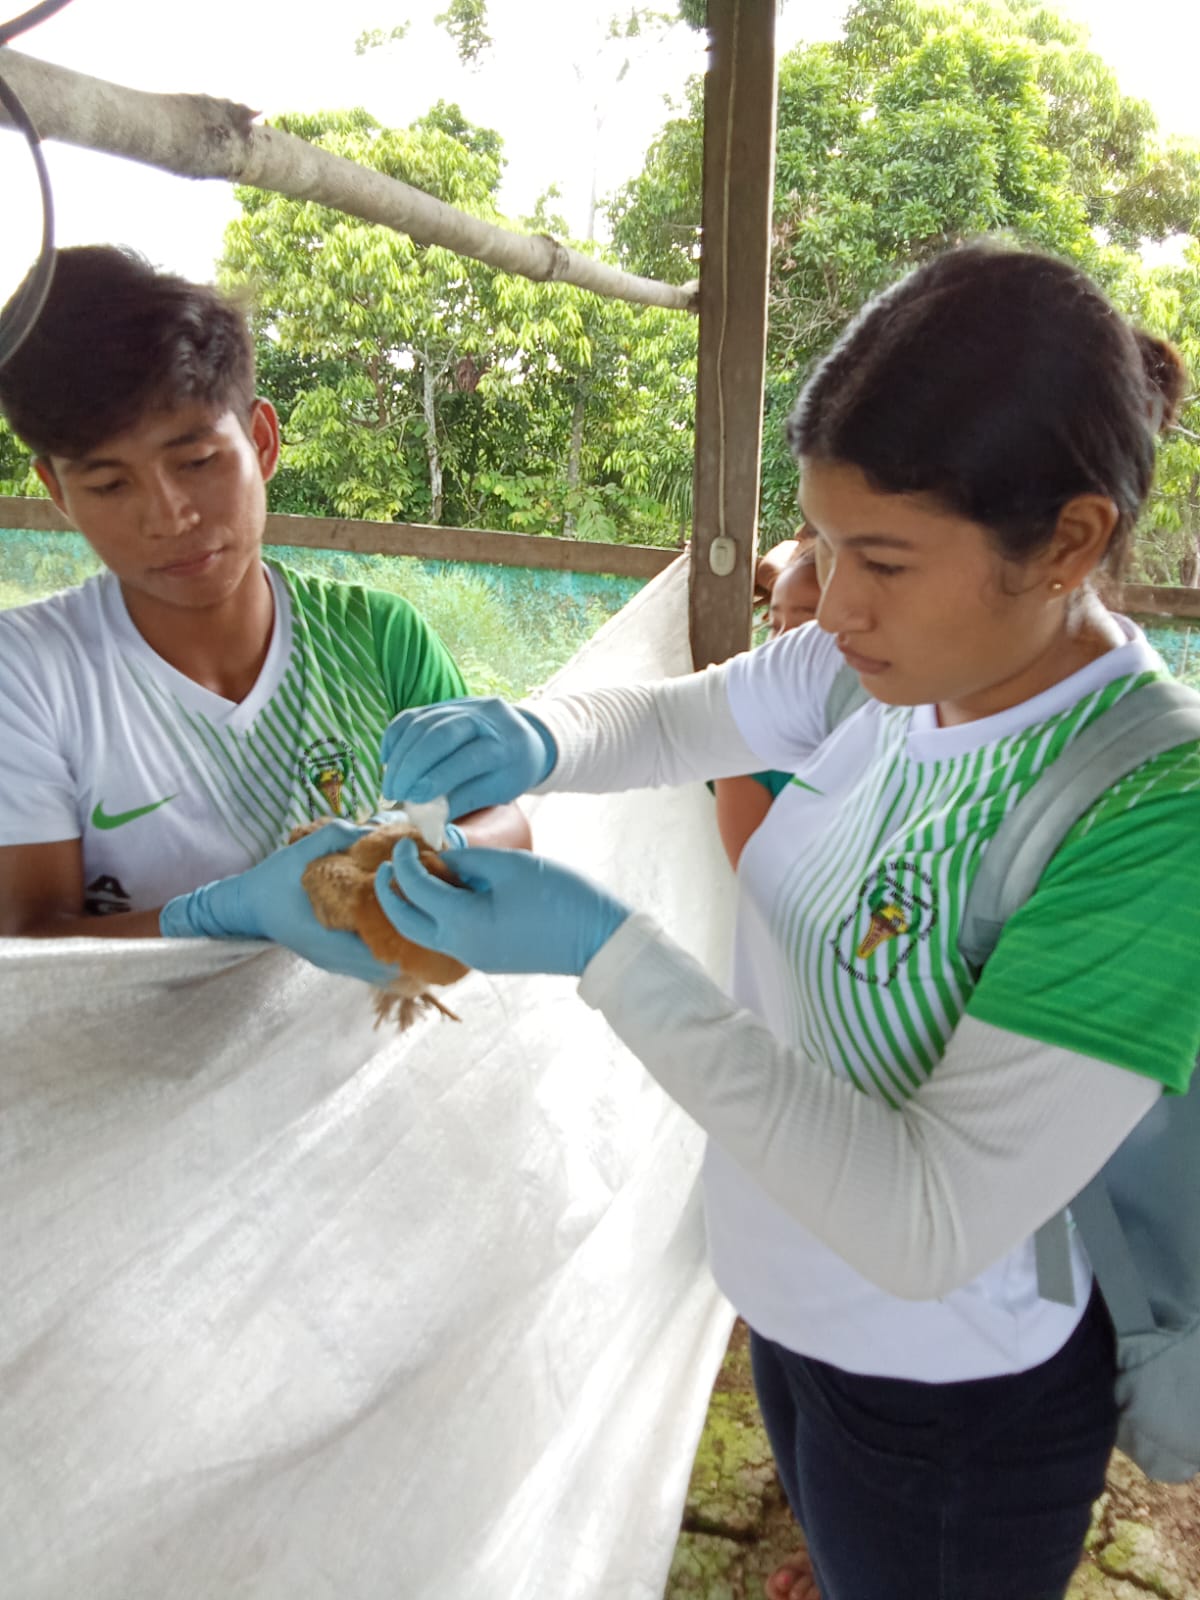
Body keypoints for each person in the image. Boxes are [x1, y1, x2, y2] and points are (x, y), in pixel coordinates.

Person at [362, 243, 1200, 1600]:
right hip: (799, 1316)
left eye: (882, 558)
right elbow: (682, 715)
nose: (832, 600)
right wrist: (529, 732)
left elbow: (930, 1220)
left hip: (950, 1391)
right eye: (820, 545)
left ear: (1068, 542)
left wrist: (603, 948)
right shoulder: (902, 665)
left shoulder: (1150, 809)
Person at [0, 246, 528, 962]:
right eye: (108, 485)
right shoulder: (26, 675)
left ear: (260, 440)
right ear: (58, 493)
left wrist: (421, 850)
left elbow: (504, 825)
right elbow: (27, 947)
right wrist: (224, 913)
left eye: (195, 461)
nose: (169, 516)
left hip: (374, 1059)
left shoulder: (377, 638)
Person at [715, 540, 822, 869]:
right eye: (775, 626)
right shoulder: (745, 743)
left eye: (805, 629)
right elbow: (760, 885)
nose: (781, 646)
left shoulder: (904, 724)